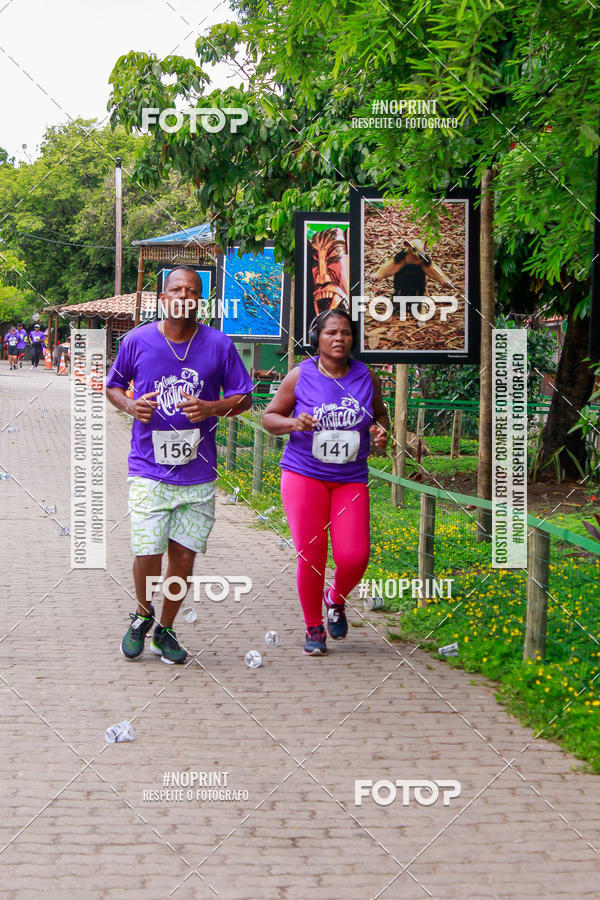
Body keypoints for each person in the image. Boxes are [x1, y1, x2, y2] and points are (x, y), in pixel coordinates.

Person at [106, 265, 254, 664]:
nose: (184, 296)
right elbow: (113, 386)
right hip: (148, 468)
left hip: (198, 471)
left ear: (200, 300)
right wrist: (129, 404)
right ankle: (142, 613)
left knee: (184, 557)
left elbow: (245, 398)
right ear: (163, 297)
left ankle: (166, 629)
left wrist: (213, 407)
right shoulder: (137, 341)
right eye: (176, 289)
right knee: (147, 550)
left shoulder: (218, 345)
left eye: (192, 291)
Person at [262, 308, 389, 656]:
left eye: (346, 333)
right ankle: (314, 627)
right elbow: (269, 417)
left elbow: (380, 414)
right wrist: (293, 424)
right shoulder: (300, 375)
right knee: (312, 555)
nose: (339, 339)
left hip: (350, 477)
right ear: (317, 338)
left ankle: (335, 598)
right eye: (331, 332)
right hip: (305, 474)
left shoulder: (365, 375)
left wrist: (381, 431)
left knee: (355, 556)